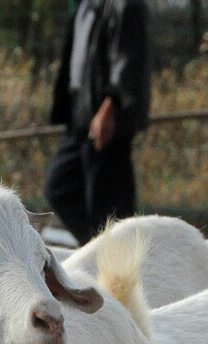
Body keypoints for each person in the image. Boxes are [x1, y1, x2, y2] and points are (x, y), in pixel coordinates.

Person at [44, 0, 151, 245]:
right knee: (59, 188)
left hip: (106, 118)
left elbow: (128, 59)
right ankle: (98, 251)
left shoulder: (126, 5)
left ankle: (118, 261)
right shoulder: (86, 5)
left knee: (108, 205)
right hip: (79, 113)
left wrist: (109, 107)